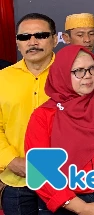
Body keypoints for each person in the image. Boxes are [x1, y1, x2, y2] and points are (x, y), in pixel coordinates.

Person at [24, 45, 94, 215]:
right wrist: (81, 208)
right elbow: (41, 170)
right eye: (78, 71)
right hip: (64, 203)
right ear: (62, 74)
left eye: (92, 69)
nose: (88, 76)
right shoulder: (44, 116)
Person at [0, 13, 58, 215]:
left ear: (55, 39)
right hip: (16, 183)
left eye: (40, 35)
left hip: (62, 180)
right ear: (17, 43)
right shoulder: (2, 79)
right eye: (24, 37)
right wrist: (11, 160)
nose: (32, 42)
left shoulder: (73, 76)